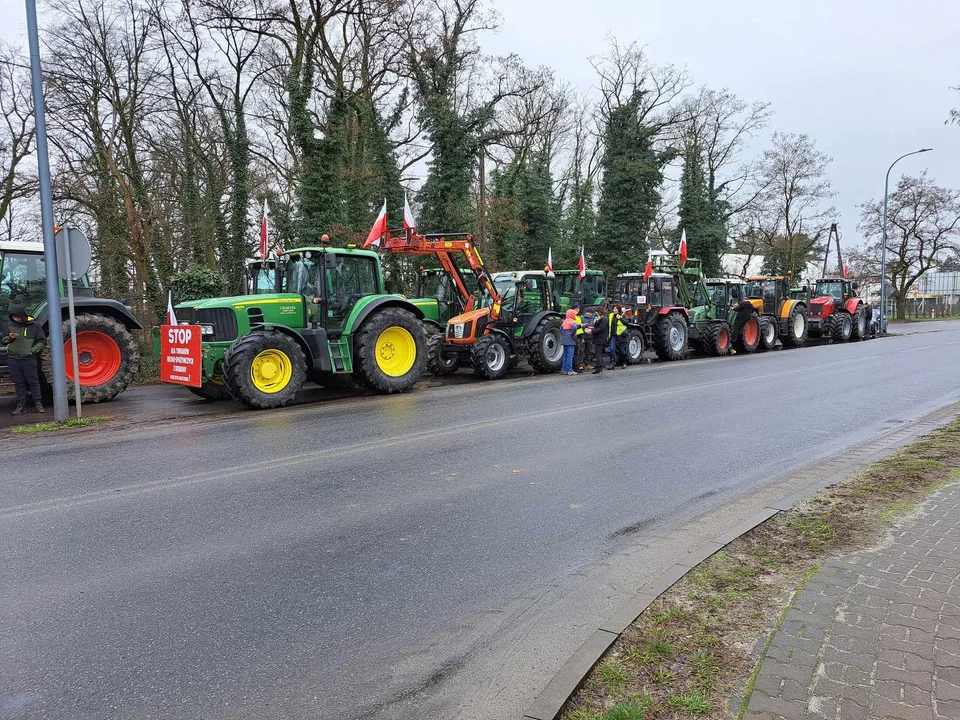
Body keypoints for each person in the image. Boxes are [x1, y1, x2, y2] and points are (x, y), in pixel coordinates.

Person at [2, 305, 46, 415]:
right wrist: (9, 338)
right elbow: (4, 341)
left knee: (33, 381)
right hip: (13, 358)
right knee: (19, 382)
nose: (16, 319)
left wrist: (32, 351)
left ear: (23, 315)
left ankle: (38, 403)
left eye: (17, 317)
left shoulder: (34, 325)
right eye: (14, 317)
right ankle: (21, 405)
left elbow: (42, 341)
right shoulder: (10, 325)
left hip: (29, 358)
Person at [591, 304, 610, 374]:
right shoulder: (601, 318)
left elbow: (601, 328)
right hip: (599, 338)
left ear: (599, 311)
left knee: (598, 353)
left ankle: (599, 367)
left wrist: (592, 331)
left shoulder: (604, 319)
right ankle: (600, 366)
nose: (595, 312)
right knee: (598, 353)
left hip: (601, 338)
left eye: (596, 311)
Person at [560, 309, 579, 376]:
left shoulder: (565, 321)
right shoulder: (572, 321)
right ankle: (569, 370)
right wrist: (572, 334)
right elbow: (574, 327)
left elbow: (561, 328)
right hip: (570, 340)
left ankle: (564, 369)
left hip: (564, 339)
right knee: (570, 355)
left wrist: (564, 334)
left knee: (565, 355)